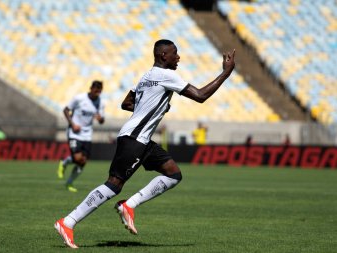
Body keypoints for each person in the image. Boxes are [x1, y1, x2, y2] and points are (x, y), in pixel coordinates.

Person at [54, 39, 235, 248]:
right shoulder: (168, 75)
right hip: (134, 139)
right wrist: (226, 73)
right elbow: (201, 96)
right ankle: (68, 222)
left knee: (173, 173)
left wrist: (150, 108)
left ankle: (129, 205)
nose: (178, 57)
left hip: (141, 138)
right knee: (114, 185)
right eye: (175, 53)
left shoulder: (145, 77)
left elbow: (126, 103)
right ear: (163, 56)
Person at [57, 80, 105, 193]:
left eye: (99, 92)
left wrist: (100, 119)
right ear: (91, 89)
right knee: (78, 158)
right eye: (96, 91)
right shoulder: (79, 98)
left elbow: (102, 119)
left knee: (83, 162)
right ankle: (64, 162)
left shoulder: (100, 102)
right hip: (74, 132)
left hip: (87, 135)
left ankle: (69, 182)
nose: (97, 94)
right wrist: (72, 124)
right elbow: (65, 110)